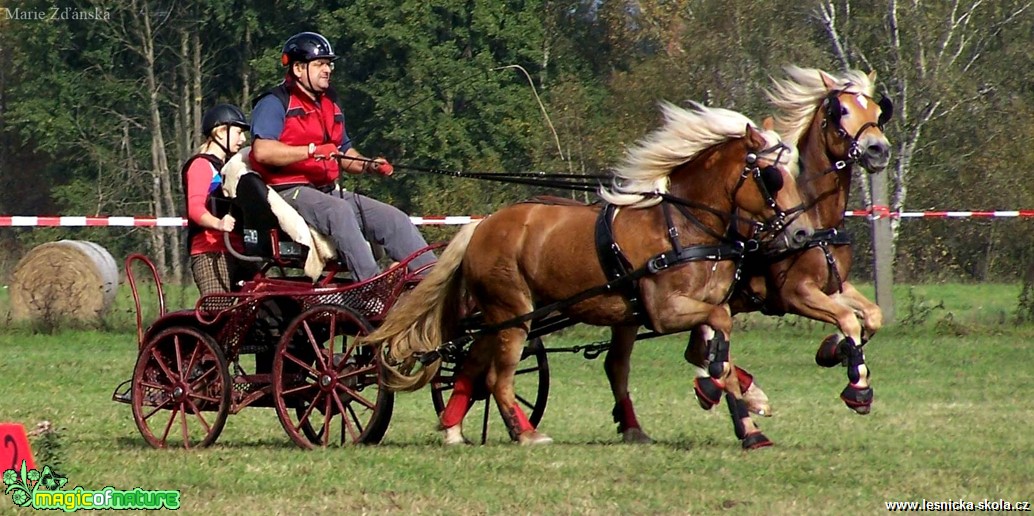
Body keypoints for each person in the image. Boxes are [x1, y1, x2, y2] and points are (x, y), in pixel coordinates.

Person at [249, 31, 436, 281]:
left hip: (327, 192)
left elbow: (344, 152)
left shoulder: (330, 103)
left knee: (395, 219)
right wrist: (312, 151)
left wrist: (369, 165)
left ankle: (436, 285)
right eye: (319, 64)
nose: (327, 70)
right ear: (297, 69)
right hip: (289, 191)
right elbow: (262, 151)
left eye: (329, 64)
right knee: (339, 211)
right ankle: (371, 285)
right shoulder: (275, 102)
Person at [184, 103, 253, 295]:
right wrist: (218, 223)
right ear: (221, 132)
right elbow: (195, 209)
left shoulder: (234, 168)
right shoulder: (201, 165)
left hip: (239, 251)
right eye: (238, 132)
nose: (243, 139)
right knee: (219, 311)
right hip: (210, 252)